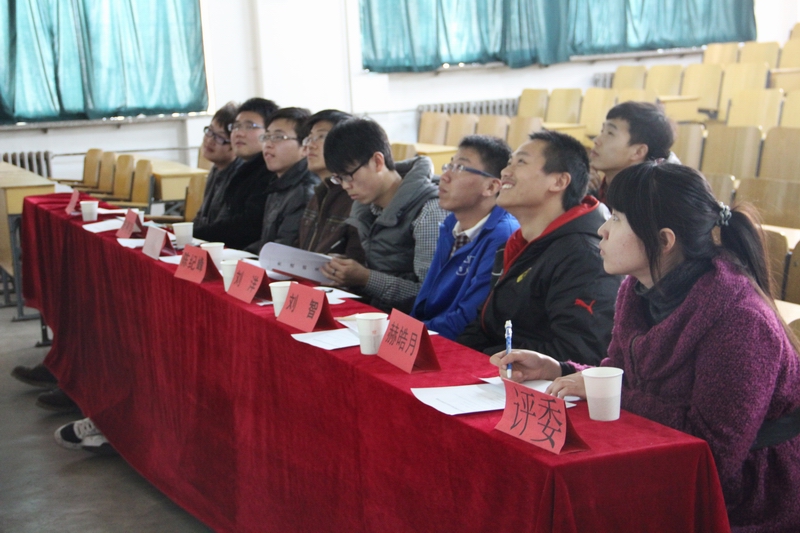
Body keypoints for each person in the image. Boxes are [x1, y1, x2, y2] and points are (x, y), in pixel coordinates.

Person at [491, 162, 800, 532]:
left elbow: (714, 451)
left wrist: (610, 393)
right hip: (656, 462)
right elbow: (623, 375)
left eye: (617, 218)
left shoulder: (741, 320)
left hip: (745, 500)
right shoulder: (638, 289)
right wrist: (561, 369)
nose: (602, 229)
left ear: (664, 241)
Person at [456, 131, 621, 365]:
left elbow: (579, 353)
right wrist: (457, 361)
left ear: (559, 182)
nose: (505, 172)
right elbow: (486, 325)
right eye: (509, 162)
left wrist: (487, 359)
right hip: (498, 371)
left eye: (521, 162)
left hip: (534, 383)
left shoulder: (585, 256)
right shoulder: (518, 243)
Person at [320, 118, 447, 313]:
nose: (345, 186)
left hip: (412, 322)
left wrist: (365, 278)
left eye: (348, 176)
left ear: (378, 162)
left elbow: (430, 296)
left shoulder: (428, 210)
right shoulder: (366, 207)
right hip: (377, 313)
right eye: (339, 178)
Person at [411, 135, 518, 340]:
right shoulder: (451, 223)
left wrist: (412, 333)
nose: (444, 176)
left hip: (459, 344)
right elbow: (425, 299)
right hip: (430, 333)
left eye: (459, 168)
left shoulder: (503, 236)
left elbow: (468, 319)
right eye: (448, 166)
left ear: (491, 187)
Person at [194, 97, 278, 250]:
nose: (239, 133)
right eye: (236, 126)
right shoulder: (245, 170)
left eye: (250, 126)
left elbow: (246, 226)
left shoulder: (270, 172)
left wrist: (196, 235)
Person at [295, 109, 365, 263]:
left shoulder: (357, 196)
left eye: (321, 137)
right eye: (309, 138)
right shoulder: (319, 193)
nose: (310, 145)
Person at [247, 107, 319, 253]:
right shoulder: (278, 183)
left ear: (304, 147)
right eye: (266, 136)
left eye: (278, 137)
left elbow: (285, 251)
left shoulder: (304, 192)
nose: (268, 144)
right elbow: (268, 241)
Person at [589, 101, 674, 202]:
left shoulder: (647, 203)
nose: (596, 140)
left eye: (610, 133)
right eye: (602, 131)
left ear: (638, 152)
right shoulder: (595, 187)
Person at [193, 102, 238, 226]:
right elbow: (202, 216)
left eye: (219, 137)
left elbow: (221, 225)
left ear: (236, 143)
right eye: (210, 131)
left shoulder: (237, 177)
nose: (209, 140)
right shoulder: (216, 169)